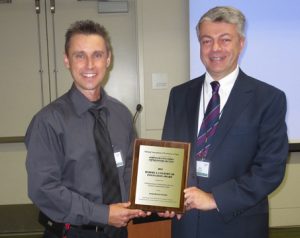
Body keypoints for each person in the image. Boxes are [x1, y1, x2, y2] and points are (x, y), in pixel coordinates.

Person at [161, 6, 288, 238]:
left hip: (238, 226)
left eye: (225, 39)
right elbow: (170, 155)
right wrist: (165, 197)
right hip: (186, 225)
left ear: (241, 43)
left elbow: (270, 169)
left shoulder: (268, 98)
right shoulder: (179, 95)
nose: (215, 48)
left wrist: (215, 198)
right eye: (207, 41)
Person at [25, 20, 148, 238]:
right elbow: (44, 189)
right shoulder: (48, 122)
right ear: (66, 60)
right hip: (72, 232)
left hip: (117, 232)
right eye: (79, 55)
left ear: (108, 59)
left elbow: (130, 169)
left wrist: (154, 200)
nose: (89, 65)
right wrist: (103, 213)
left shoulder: (121, 115)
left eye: (97, 55)